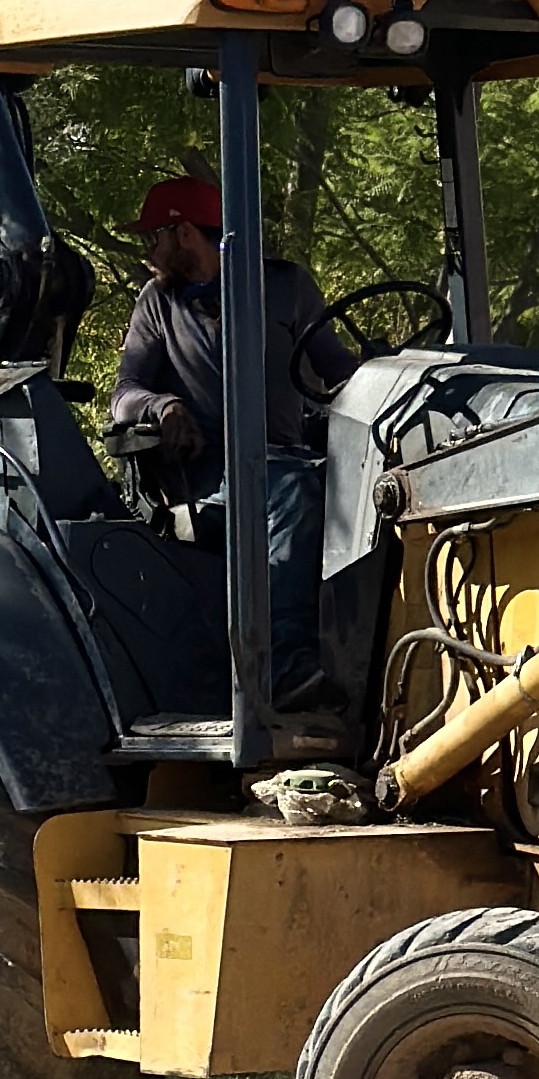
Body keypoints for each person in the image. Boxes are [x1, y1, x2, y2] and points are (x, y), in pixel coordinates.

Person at [110, 175, 357, 708]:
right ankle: (285, 662)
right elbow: (124, 393)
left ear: (183, 234)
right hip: (211, 478)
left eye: (152, 237)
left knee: (354, 486)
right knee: (294, 489)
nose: (147, 251)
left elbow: (339, 371)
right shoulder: (158, 303)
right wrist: (164, 406)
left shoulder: (286, 285)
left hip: (287, 461)